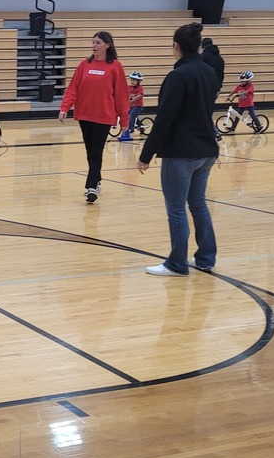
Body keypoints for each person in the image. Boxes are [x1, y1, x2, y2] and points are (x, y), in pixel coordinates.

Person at [136, 22, 220, 276]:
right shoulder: (209, 72)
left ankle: (177, 263)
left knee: (175, 207)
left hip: (182, 151)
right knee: (198, 204)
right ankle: (205, 258)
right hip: (206, 149)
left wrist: (145, 154)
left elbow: (164, 117)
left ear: (176, 47)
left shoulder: (178, 76)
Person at [58, 31, 131, 203]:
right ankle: (96, 180)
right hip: (85, 114)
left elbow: (121, 95)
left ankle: (92, 186)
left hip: (104, 116)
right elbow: (73, 88)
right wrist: (64, 107)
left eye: (98, 43)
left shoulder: (115, 67)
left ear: (108, 45)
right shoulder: (84, 65)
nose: (94, 46)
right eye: (93, 42)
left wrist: (125, 120)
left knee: (96, 151)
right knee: (90, 151)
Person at [120, 71, 145, 141]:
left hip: (137, 106)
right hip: (130, 106)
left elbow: (140, 95)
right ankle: (141, 126)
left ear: (139, 81)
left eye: (134, 80)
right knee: (131, 116)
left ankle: (131, 129)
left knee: (131, 116)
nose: (132, 82)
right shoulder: (129, 87)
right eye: (131, 80)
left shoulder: (140, 87)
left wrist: (133, 99)